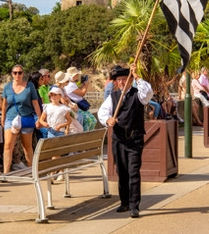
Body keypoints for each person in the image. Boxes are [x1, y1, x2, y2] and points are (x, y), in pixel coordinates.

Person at [98, 64, 152, 218]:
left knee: (133, 171)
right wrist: (108, 119)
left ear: (129, 80)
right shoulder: (113, 97)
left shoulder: (138, 94)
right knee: (121, 171)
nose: (121, 82)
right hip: (119, 138)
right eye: (119, 80)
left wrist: (136, 76)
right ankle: (125, 202)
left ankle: (134, 205)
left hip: (135, 138)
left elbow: (148, 92)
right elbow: (102, 112)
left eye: (124, 79)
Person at [1, 64, 42, 174]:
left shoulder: (29, 87)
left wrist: (39, 118)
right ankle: (6, 173)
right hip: (11, 118)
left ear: (23, 74)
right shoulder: (7, 87)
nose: (17, 75)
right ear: (12, 74)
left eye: (19, 72)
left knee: (27, 146)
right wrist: (3, 118)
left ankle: (32, 171)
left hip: (26, 118)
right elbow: (4, 104)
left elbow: (35, 103)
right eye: (15, 73)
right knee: (8, 146)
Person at [64, 67, 96, 131]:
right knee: (91, 121)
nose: (78, 76)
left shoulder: (69, 83)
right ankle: (86, 135)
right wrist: (86, 85)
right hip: (78, 106)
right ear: (74, 75)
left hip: (77, 105)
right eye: (77, 74)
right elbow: (82, 93)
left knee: (91, 120)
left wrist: (83, 86)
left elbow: (77, 91)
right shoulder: (71, 84)